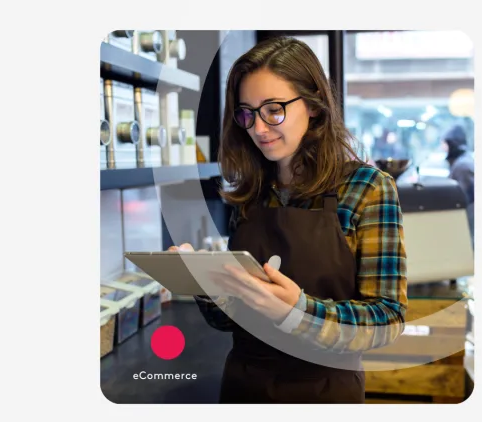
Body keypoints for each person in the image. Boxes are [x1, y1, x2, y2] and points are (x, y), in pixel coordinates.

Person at [169, 36, 408, 403]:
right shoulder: (252, 191)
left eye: (274, 109)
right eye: (247, 113)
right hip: (244, 388)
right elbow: (230, 320)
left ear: (313, 105)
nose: (258, 129)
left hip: (325, 392)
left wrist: (299, 311)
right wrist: (205, 282)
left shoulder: (367, 188)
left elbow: (387, 319)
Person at [441, 124, 474, 241]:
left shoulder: (462, 166)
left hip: (469, 220)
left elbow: (464, 197)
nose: (443, 147)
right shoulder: (463, 161)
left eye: (445, 143)